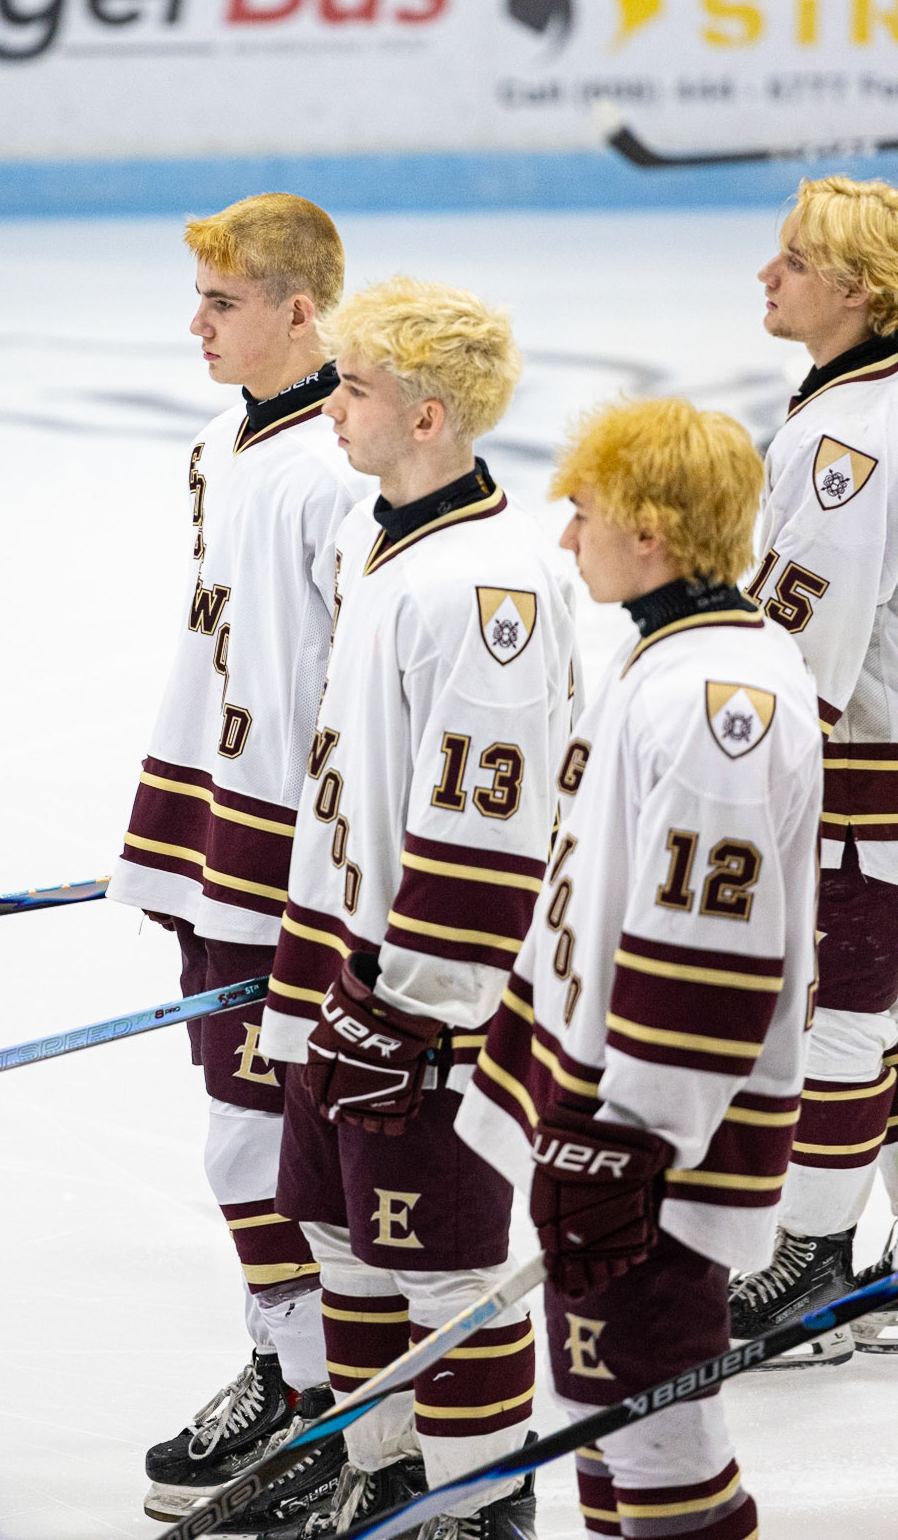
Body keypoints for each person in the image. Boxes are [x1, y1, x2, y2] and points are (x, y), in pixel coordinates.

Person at [458, 396, 821, 1540]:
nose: (567, 536)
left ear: (652, 532)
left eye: (585, 511)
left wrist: (632, 1136)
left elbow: (706, 956)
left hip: (657, 1141)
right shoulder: (669, 656)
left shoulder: (717, 704)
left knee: (660, 1431)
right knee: (603, 1406)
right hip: (610, 1114)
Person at [257, 276, 580, 1539]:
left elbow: (487, 839)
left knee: (445, 1260)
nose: (331, 407)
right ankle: (388, 1473)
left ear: (428, 416)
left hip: (426, 987)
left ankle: (482, 1501)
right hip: (336, 953)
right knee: (337, 1226)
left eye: (353, 388)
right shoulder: (371, 534)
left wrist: (415, 1006)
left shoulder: (489, 591)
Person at [108, 193, 368, 1523]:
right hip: (215, 828)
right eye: (198, 299)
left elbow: (352, 689)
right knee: (237, 1124)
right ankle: (285, 1368)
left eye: (223, 302)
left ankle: (325, 1400)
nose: (197, 325)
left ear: (299, 310)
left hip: (287, 859)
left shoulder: (337, 470)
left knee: (267, 1141)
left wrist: (327, 865)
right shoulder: (220, 442)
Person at [728, 175, 898, 1360]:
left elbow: (802, 653)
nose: (767, 272)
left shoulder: (847, 438)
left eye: (792, 258)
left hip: (865, 788)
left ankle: (812, 1263)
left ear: (858, 289)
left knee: (839, 1013)